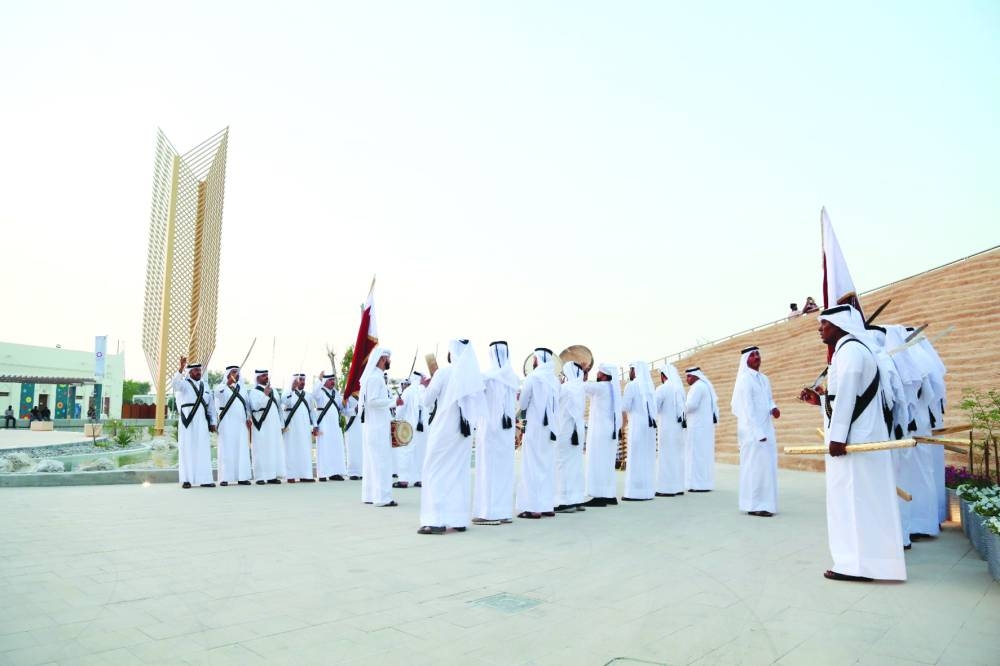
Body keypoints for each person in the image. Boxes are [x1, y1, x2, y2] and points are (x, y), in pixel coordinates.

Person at [799, 304, 906, 582]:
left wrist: (837, 438)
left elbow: (847, 396)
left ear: (839, 325)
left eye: (824, 323)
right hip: (857, 435)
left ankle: (857, 565)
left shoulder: (849, 351)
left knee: (854, 501)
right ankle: (866, 563)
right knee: (860, 500)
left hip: (853, 442)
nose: (820, 328)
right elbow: (844, 397)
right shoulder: (852, 350)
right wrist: (820, 401)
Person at [417, 339, 485, 534]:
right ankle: (457, 519)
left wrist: (424, 386)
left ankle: (435, 520)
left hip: (444, 430)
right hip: (464, 432)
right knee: (458, 472)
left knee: (434, 471)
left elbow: (427, 401)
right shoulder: (473, 377)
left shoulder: (443, 373)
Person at [473, 342, 519, 524]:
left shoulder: (486, 377)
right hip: (506, 432)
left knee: (488, 470)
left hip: (490, 430)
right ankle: (503, 512)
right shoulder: (513, 378)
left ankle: (489, 513)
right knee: (504, 471)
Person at [731, 346, 780, 517]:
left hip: (766, 428)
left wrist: (773, 408)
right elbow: (748, 409)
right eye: (752, 355)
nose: (756, 357)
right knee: (754, 468)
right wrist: (758, 433)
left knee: (766, 467)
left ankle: (765, 503)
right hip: (752, 433)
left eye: (758, 354)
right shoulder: (745, 380)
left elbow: (768, 399)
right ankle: (754, 505)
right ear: (746, 360)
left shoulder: (764, 379)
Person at [515, 347, 561, 519]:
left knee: (532, 466)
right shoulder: (555, 380)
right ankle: (547, 505)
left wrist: (520, 400)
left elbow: (523, 403)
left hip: (535, 427)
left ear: (538, 359)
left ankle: (533, 507)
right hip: (552, 429)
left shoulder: (533, 377)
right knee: (547, 466)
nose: (533, 361)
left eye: (534, 358)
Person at [171, 358, 217, 488]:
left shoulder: (205, 386)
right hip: (188, 421)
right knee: (187, 449)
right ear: (190, 372)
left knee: (203, 449)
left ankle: (205, 479)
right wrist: (181, 368)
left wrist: (213, 422)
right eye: (196, 370)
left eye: (199, 370)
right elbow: (174, 384)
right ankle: (187, 480)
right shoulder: (183, 384)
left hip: (202, 421)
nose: (198, 372)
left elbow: (210, 406)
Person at [359, 348, 397, 507]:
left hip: (377, 426)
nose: (390, 361)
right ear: (382, 359)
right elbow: (372, 401)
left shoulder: (377, 377)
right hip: (377, 427)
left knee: (372, 463)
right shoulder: (375, 378)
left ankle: (370, 495)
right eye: (388, 359)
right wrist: (393, 402)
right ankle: (382, 498)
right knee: (381, 462)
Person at [582, 363, 623, 507]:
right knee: (607, 463)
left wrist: (583, 373)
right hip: (609, 431)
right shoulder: (611, 388)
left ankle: (599, 496)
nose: (597, 374)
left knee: (598, 462)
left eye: (599, 372)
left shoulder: (601, 387)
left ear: (604, 375)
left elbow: (582, 387)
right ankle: (609, 495)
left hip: (600, 432)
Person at [621, 361, 657, 501]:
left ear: (635, 371)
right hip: (649, 427)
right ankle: (647, 491)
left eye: (631, 369)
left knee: (636, 458)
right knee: (646, 458)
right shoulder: (650, 386)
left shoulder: (632, 385)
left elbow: (625, 406)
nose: (630, 373)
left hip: (637, 426)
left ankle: (635, 493)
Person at [554, 361, 587, 513]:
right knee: (576, 465)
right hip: (578, 430)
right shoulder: (580, 387)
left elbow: (554, 401)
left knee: (563, 463)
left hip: (566, 429)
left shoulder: (566, 388)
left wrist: (559, 384)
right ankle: (577, 498)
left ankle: (565, 501)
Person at [214, 365, 252, 486]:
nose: (236, 374)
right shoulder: (221, 387)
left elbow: (246, 405)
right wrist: (227, 383)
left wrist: (248, 417)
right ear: (228, 374)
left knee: (241, 449)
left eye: (237, 372)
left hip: (241, 424)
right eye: (234, 372)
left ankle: (242, 477)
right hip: (227, 423)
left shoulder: (242, 388)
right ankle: (224, 478)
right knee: (226, 449)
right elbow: (217, 394)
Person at [684, 367, 719, 492]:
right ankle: (704, 484)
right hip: (704, 428)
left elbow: (691, 406)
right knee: (703, 456)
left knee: (696, 456)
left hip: (697, 427)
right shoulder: (704, 386)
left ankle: (696, 485)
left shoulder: (697, 387)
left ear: (695, 376)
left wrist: (679, 408)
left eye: (689, 376)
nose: (687, 379)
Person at [654, 363, 686, 497]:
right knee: (677, 457)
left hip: (667, 429)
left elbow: (654, 407)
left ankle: (666, 489)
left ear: (663, 376)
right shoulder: (679, 389)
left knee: (666, 457)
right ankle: (678, 487)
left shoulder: (662, 389)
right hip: (678, 430)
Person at [248, 369, 284, 484]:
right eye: (264, 376)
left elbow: (279, 408)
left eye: (267, 375)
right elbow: (255, 407)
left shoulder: (274, 391)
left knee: (273, 449)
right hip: (261, 425)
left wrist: (281, 424)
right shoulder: (253, 392)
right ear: (257, 378)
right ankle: (260, 477)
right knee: (261, 450)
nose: (266, 377)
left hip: (274, 426)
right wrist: (265, 395)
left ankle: (272, 476)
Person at [281, 373, 319, 483]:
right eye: (300, 380)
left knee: (305, 449)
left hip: (304, 427)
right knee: (291, 450)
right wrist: (292, 389)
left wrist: (315, 425)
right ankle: (291, 475)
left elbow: (312, 411)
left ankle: (305, 475)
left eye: (303, 380)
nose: (302, 382)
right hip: (291, 428)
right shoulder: (287, 393)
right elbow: (285, 402)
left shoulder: (308, 395)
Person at [313, 371, 348, 482]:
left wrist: (345, 403)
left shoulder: (336, 393)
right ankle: (323, 474)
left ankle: (335, 473)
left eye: (334, 380)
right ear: (325, 381)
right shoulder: (320, 392)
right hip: (323, 425)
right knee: (324, 448)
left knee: (336, 448)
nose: (333, 382)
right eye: (330, 380)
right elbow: (314, 394)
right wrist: (319, 380)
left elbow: (341, 407)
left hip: (335, 425)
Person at [399, 371, 429, 488]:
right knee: (421, 453)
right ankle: (419, 479)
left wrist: (399, 418)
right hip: (423, 427)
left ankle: (404, 480)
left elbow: (400, 410)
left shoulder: (408, 391)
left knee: (406, 452)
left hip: (409, 427)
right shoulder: (426, 390)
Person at [342, 393, 363, 480]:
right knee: (352, 449)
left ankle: (362, 472)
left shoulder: (363, 395)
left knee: (362, 449)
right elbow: (343, 411)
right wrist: (354, 410)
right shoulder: (346, 397)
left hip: (362, 425)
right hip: (351, 427)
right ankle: (353, 472)